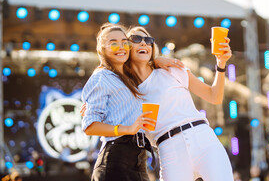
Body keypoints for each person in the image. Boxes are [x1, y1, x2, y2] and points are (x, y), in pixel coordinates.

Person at [125, 26, 233, 181]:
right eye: (136, 39)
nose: (143, 43)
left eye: (148, 40)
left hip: (202, 137)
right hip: (169, 148)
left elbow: (214, 96)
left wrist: (221, 63)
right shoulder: (126, 89)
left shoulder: (171, 69)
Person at [82, 23, 164, 181]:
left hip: (139, 159)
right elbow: (89, 126)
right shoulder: (102, 77)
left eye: (124, 42)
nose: (121, 47)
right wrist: (129, 128)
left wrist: (160, 61)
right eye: (113, 43)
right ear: (102, 49)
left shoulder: (132, 78)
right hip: (115, 160)